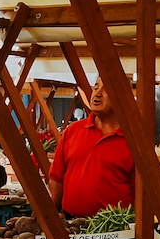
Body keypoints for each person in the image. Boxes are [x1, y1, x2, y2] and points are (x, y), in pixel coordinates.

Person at [50, 77, 135, 217]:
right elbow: (57, 180)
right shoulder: (73, 131)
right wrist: (50, 218)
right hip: (72, 222)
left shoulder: (133, 140)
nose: (97, 93)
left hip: (116, 227)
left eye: (106, 89)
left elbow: (141, 194)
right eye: (96, 87)